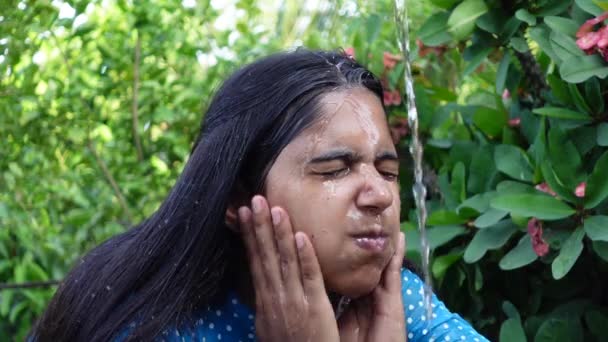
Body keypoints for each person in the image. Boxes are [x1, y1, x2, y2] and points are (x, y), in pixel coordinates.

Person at [29, 49, 489, 342]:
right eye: (335, 168)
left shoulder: (391, 301)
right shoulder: (146, 325)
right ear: (237, 198)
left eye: (388, 171)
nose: (380, 196)